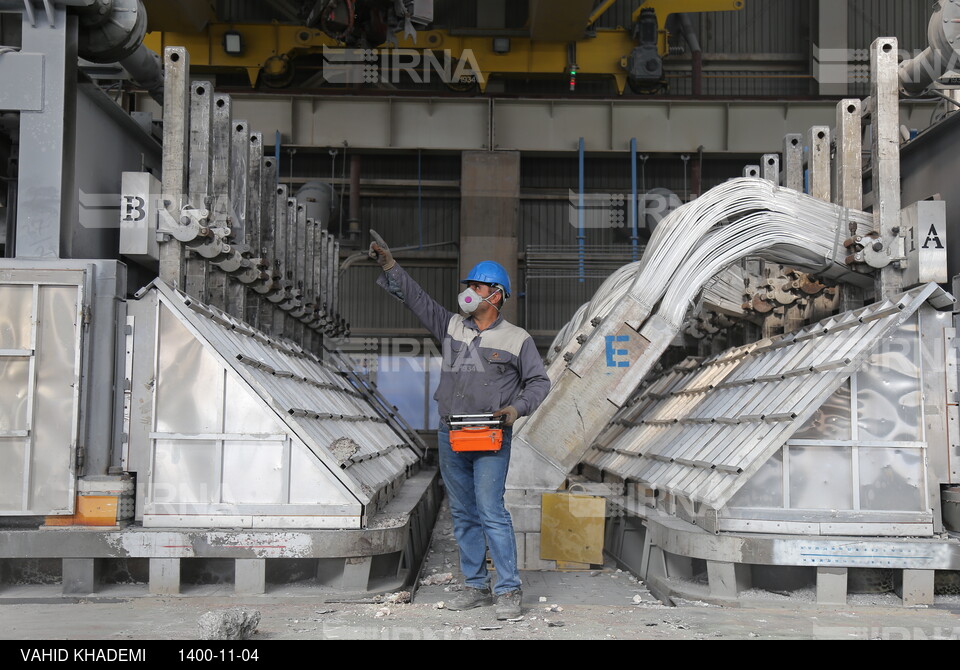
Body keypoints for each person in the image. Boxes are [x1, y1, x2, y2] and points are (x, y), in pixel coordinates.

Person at [370, 232, 550, 620]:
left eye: (477, 286)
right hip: (452, 432)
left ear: (496, 295)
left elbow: (539, 382)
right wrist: (390, 266)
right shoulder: (452, 326)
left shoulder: (517, 339)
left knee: (491, 511)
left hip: (490, 434)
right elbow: (417, 300)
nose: (468, 292)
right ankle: (474, 587)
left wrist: (516, 410)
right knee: (464, 513)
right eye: (468, 286)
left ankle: (508, 590)